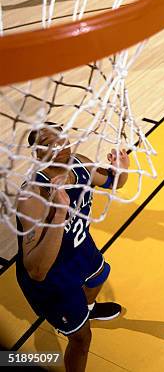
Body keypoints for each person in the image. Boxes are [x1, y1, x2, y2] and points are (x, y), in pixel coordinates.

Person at [16, 124, 129, 372]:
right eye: (48, 142)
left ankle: (86, 310)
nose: (58, 144)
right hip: (52, 273)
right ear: (37, 153)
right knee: (81, 339)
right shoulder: (34, 195)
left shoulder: (81, 165)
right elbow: (36, 270)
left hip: (78, 246)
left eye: (61, 138)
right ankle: (74, 324)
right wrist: (58, 215)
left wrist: (123, 169)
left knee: (99, 276)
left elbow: (115, 182)